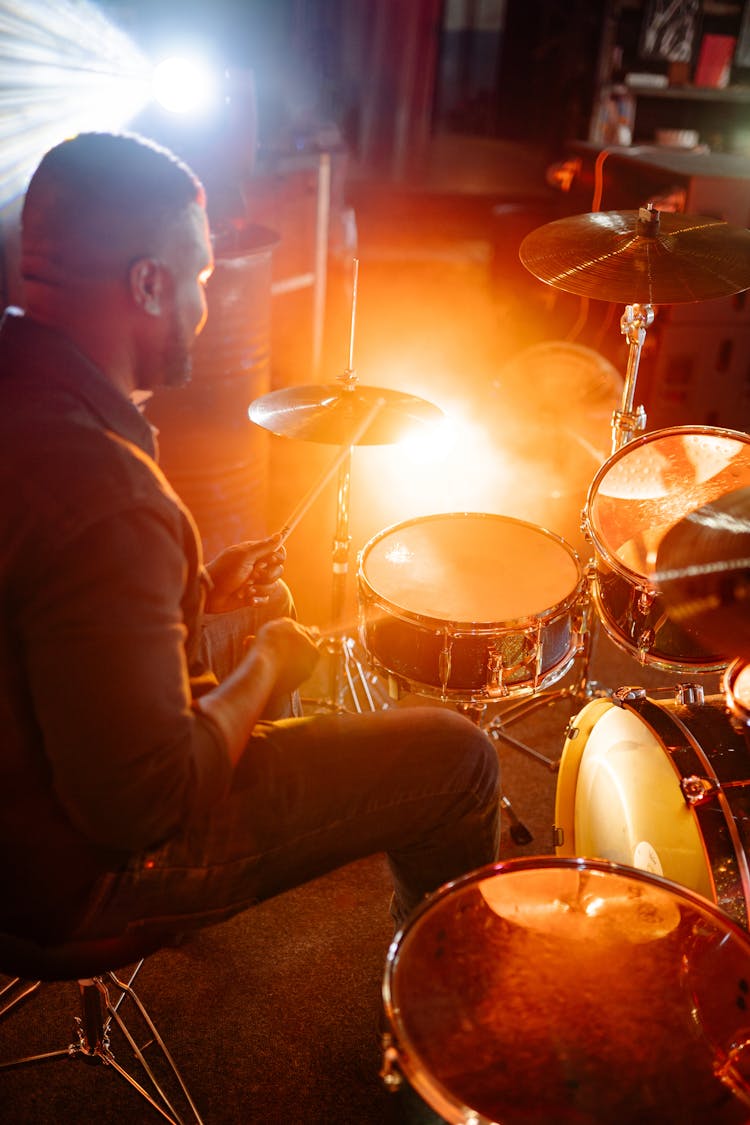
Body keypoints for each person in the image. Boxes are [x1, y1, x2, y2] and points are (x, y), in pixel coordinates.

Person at [0, 131, 500, 953]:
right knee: (459, 757)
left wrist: (196, 596)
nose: (208, 301)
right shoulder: (107, 491)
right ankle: (443, 1032)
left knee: (250, 604)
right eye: (199, 275)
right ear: (149, 283)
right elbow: (147, 805)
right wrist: (270, 661)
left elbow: (48, 620)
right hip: (67, 879)